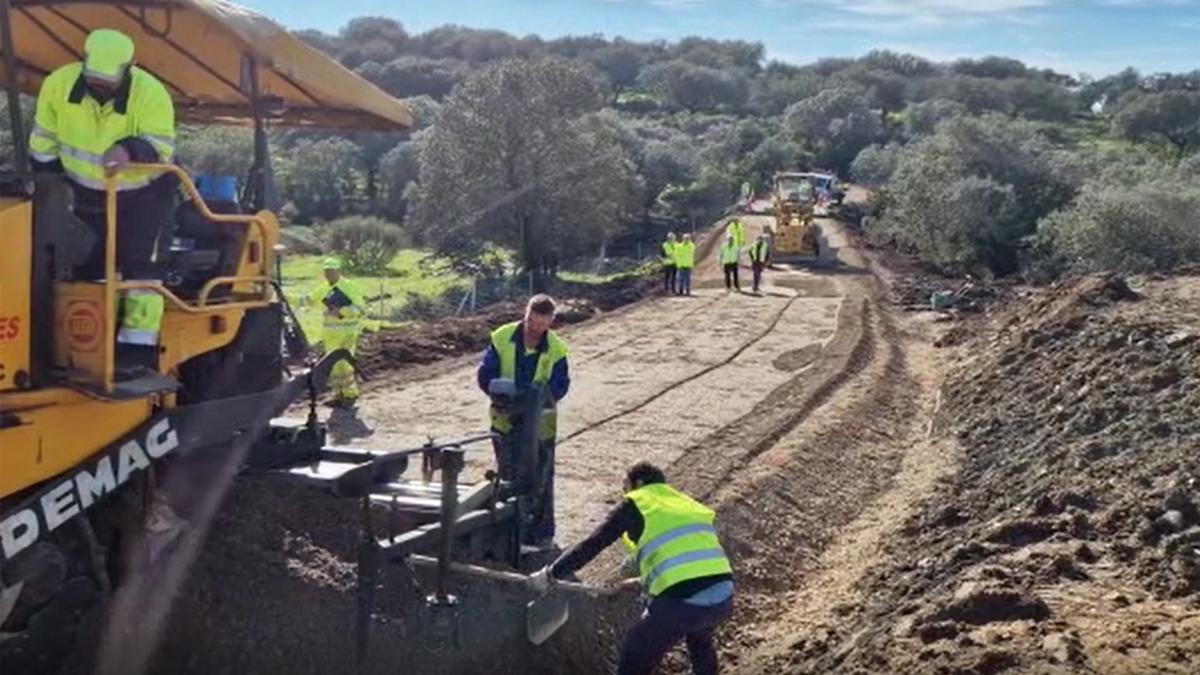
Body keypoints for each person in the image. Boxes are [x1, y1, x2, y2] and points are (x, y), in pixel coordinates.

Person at [29, 28, 177, 371]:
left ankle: (136, 351)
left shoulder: (151, 94)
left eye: (108, 83)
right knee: (88, 265)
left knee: (140, 270)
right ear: (83, 63)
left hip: (144, 193)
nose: (101, 87)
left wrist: (128, 150)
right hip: (84, 192)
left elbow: (162, 146)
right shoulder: (58, 85)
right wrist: (50, 189)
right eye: (94, 80)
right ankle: (92, 340)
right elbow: (43, 141)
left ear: (129, 68)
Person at [529, 462, 734, 675]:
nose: (623, 492)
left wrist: (551, 574)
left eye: (625, 486)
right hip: (722, 595)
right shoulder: (684, 504)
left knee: (636, 650)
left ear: (639, 483)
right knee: (700, 640)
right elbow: (687, 560)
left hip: (683, 602)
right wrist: (641, 580)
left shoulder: (637, 503)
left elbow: (593, 543)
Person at [477, 294, 570, 545]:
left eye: (542, 325)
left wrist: (539, 398)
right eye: (532, 322)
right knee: (507, 475)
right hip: (504, 420)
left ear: (550, 322)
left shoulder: (557, 349)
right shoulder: (502, 337)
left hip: (539, 426)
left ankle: (540, 533)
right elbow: (486, 372)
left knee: (540, 478)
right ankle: (510, 532)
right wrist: (496, 393)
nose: (535, 329)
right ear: (525, 314)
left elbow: (561, 384)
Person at [307, 257, 366, 407]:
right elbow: (308, 300)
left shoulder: (349, 287)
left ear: (338, 271)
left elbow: (359, 308)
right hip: (330, 335)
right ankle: (338, 395)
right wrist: (284, 297)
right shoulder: (323, 288)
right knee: (333, 365)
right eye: (326, 271)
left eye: (331, 271)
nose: (328, 274)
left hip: (347, 332)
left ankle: (349, 395)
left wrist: (341, 311)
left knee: (344, 364)